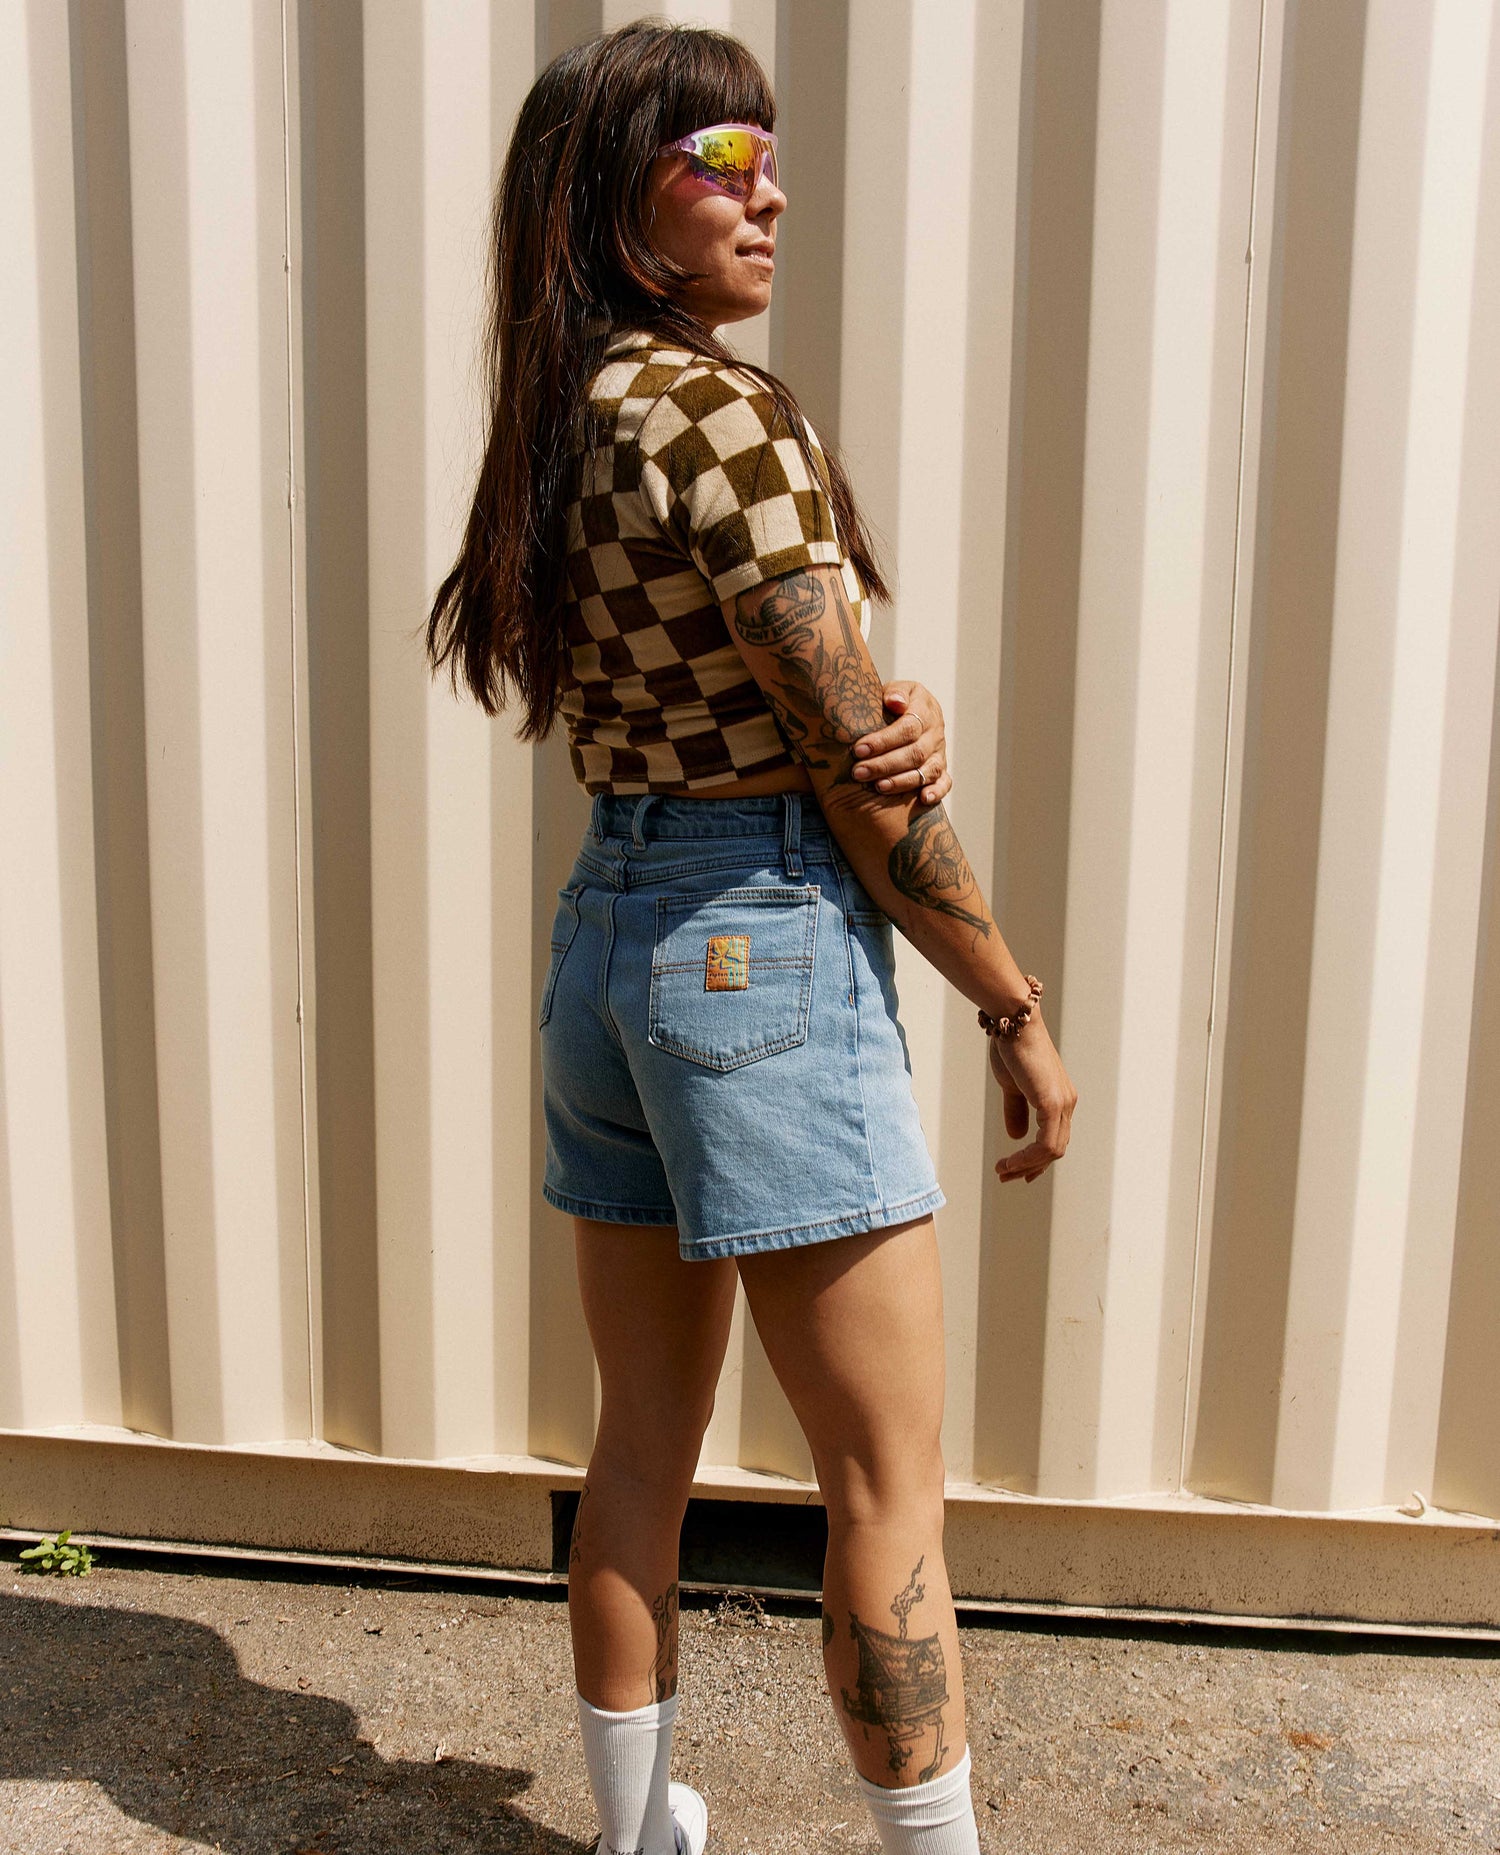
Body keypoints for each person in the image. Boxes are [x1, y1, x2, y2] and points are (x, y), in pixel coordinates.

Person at [426, 19, 1077, 1854]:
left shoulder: (572, 416)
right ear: (618, 204)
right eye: (720, 162)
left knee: (643, 1442)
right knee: (885, 1472)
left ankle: (637, 1838)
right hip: (761, 944)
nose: (767, 190)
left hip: (611, 947)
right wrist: (1009, 1000)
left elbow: (799, 701)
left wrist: (889, 699)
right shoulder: (725, 411)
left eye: (768, 158)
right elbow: (850, 773)